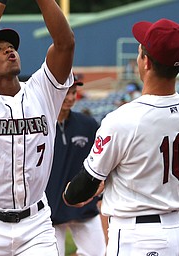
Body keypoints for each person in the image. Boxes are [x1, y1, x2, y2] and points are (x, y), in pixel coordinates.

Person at [62, 18, 179, 255]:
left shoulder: (123, 118)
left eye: (140, 52)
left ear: (145, 62)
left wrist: (69, 194)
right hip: (178, 231)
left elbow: (82, 188)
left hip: (138, 237)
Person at [0, 0, 75, 254]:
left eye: (11, 47)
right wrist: (0, 1)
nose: (9, 51)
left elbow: (65, 44)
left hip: (36, 225)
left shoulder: (42, 91)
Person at [45, 74, 106, 256]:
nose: (70, 98)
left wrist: (99, 192)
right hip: (50, 209)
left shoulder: (88, 124)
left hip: (83, 205)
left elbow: (101, 161)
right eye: (65, 93)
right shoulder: (40, 125)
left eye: (73, 92)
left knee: (97, 253)